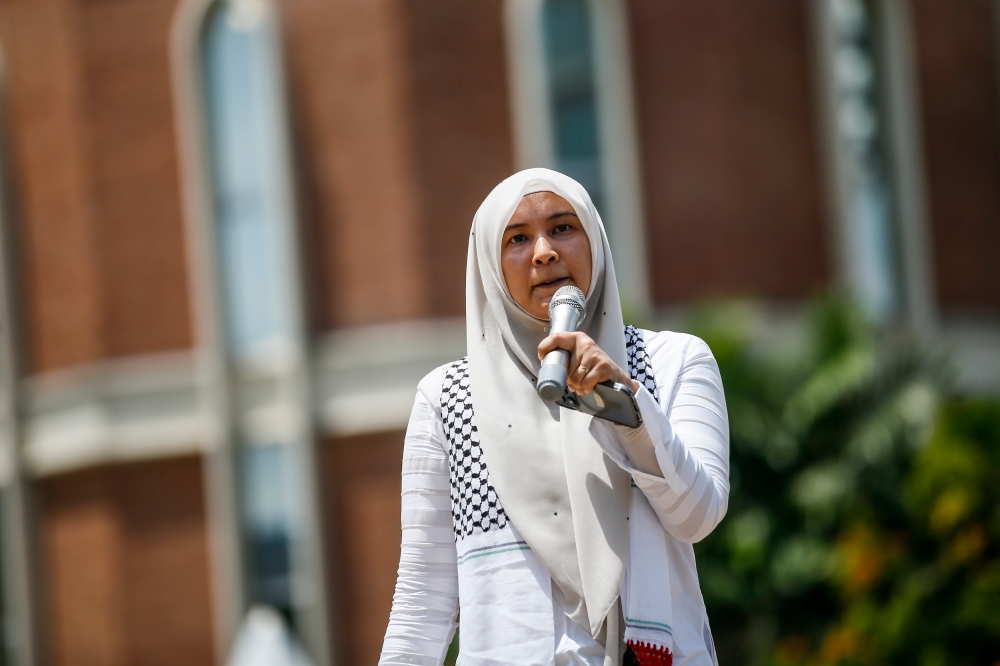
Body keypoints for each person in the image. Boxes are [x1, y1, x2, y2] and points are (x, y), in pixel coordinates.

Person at [379, 169, 729, 666]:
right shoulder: (447, 399)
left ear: (596, 242)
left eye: (563, 228)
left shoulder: (672, 363)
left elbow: (697, 515)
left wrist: (625, 407)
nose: (544, 251)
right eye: (517, 238)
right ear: (489, 265)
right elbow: (422, 601)